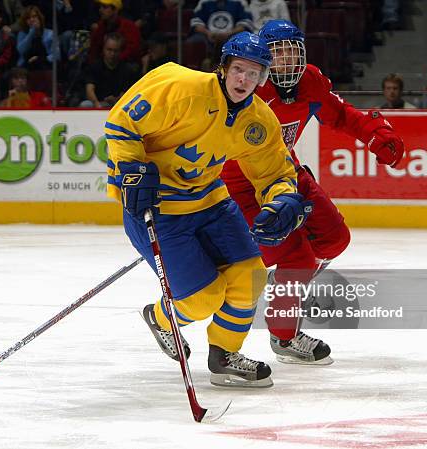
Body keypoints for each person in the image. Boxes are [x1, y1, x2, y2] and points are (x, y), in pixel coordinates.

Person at [106, 32, 308, 387]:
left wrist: (283, 200)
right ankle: (161, 317)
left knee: (251, 277)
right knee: (202, 299)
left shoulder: (259, 121)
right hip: (157, 207)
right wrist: (131, 169)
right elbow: (122, 122)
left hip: (211, 202)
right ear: (224, 68)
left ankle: (225, 353)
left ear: (263, 79)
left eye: (254, 73)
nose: (243, 79)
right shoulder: (181, 87)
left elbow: (275, 172)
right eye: (238, 70)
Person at [221, 20, 404, 365]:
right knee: (296, 259)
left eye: (293, 51)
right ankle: (284, 334)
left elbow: (341, 115)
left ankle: (288, 284)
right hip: (239, 185)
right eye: (278, 53)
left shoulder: (311, 81)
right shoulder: (244, 89)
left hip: (285, 172)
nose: (287, 60)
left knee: (335, 238)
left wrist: (374, 132)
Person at [81, 32, 138, 108]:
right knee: (85, 104)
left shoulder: (127, 70)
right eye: (109, 50)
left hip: (120, 106)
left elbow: (130, 94)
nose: (112, 54)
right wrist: (96, 104)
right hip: (98, 103)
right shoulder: (94, 67)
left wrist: (116, 99)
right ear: (103, 49)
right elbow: (89, 90)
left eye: (115, 51)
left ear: (120, 51)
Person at [16, 5, 59, 70]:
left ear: (39, 18)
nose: (32, 20)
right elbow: (21, 51)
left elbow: (57, 55)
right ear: (25, 21)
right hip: (26, 65)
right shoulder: (22, 34)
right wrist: (31, 33)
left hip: (45, 64)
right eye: (28, 18)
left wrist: (39, 59)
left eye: (34, 16)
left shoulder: (50, 33)